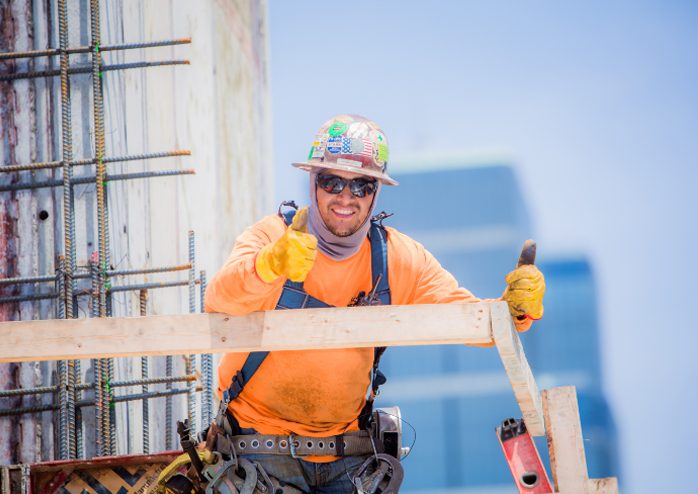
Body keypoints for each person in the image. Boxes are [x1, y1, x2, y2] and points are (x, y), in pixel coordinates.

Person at [203, 114, 545, 493]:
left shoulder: (395, 259)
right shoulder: (273, 237)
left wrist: (513, 310)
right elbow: (220, 299)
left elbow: (464, 316)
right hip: (258, 453)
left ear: (376, 192)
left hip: (347, 461)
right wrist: (269, 264)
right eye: (332, 181)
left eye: (361, 186)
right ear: (313, 182)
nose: (345, 197)